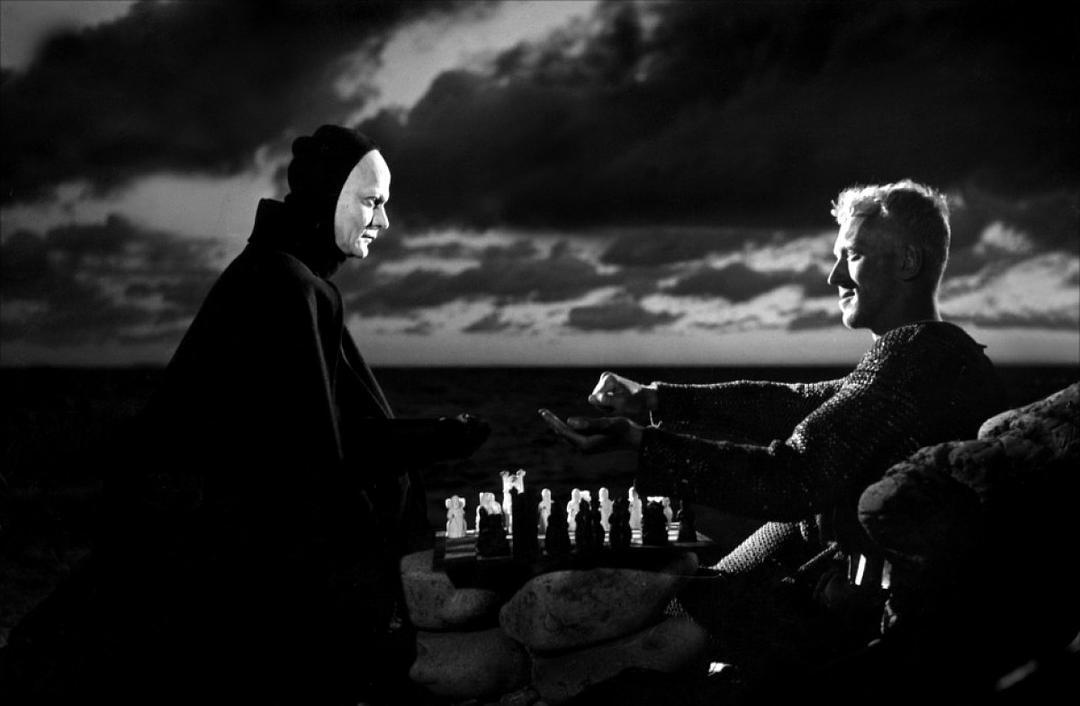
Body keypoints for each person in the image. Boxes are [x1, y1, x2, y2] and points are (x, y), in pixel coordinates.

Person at [2, 126, 488, 705]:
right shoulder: (284, 284)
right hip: (226, 565)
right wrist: (427, 442)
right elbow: (308, 459)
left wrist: (431, 436)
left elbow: (315, 430)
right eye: (371, 201)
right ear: (328, 194)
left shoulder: (282, 274)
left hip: (216, 549)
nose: (383, 221)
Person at [541, 179, 1007, 701]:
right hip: (853, 582)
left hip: (871, 622)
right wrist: (653, 400)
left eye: (852, 256)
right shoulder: (934, 353)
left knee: (675, 616)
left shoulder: (911, 363)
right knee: (689, 597)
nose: (833, 276)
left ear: (908, 262)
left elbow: (792, 477)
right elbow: (794, 402)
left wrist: (641, 446)